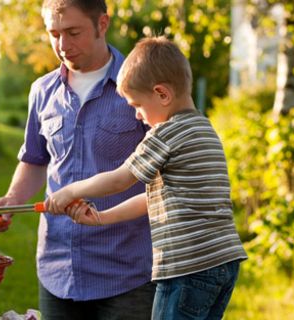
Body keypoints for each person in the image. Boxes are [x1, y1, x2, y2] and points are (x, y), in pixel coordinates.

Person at [46, 36, 249, 319]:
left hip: (186, 267)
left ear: (162, 94)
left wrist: (69, 191)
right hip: (222, 264)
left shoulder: (165, 134)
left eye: (138, 105)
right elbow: (152, 198)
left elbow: (120, 180)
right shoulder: (203, 129)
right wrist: (102, 218)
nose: (138, 116)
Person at [0, 1, 155, 319]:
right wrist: (12, 200)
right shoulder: (42, 91)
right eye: (54, 34)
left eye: (73, 32)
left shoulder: (141, 86)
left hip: (126, 271)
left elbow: (166, 168)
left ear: (102, 24)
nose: (63, 45)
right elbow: (35, 160)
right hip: (57, 269)